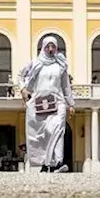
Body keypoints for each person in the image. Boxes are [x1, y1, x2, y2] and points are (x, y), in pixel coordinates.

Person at [19, 35, 75, 173]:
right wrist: (23, 89)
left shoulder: (60, 65)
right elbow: (20, 75)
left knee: (58, 129)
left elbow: (65, 85)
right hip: (40, 103)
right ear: (43, 47)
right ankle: (46, 163)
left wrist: (71, 103)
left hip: (58, 102)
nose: (50, 49)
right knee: (44, 134)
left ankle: (58, 162)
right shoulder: (35, 63)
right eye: (48, 46)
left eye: (53, 46)